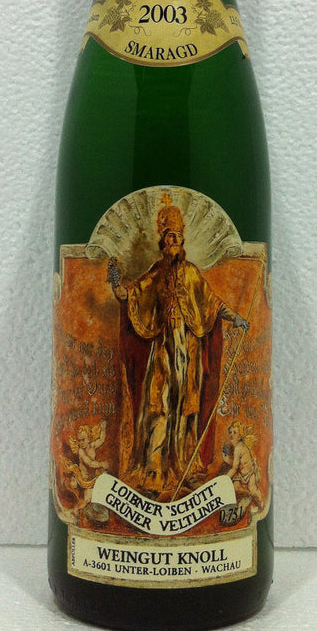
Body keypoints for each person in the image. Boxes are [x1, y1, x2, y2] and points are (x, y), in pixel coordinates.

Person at [114, 194, 247, 497]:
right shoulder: (156, 273)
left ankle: (188, 467)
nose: (173, 240)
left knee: (188, 408)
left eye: (177, 235)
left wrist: (237, 318)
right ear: (162, 241)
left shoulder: (191, 274)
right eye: (168, 236)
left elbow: (213, 303)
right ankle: (154, 472)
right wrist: (116, 285)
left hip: (189, 351)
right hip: (163, 350)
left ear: (182, 239)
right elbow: (131, 294)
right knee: (158, 406)